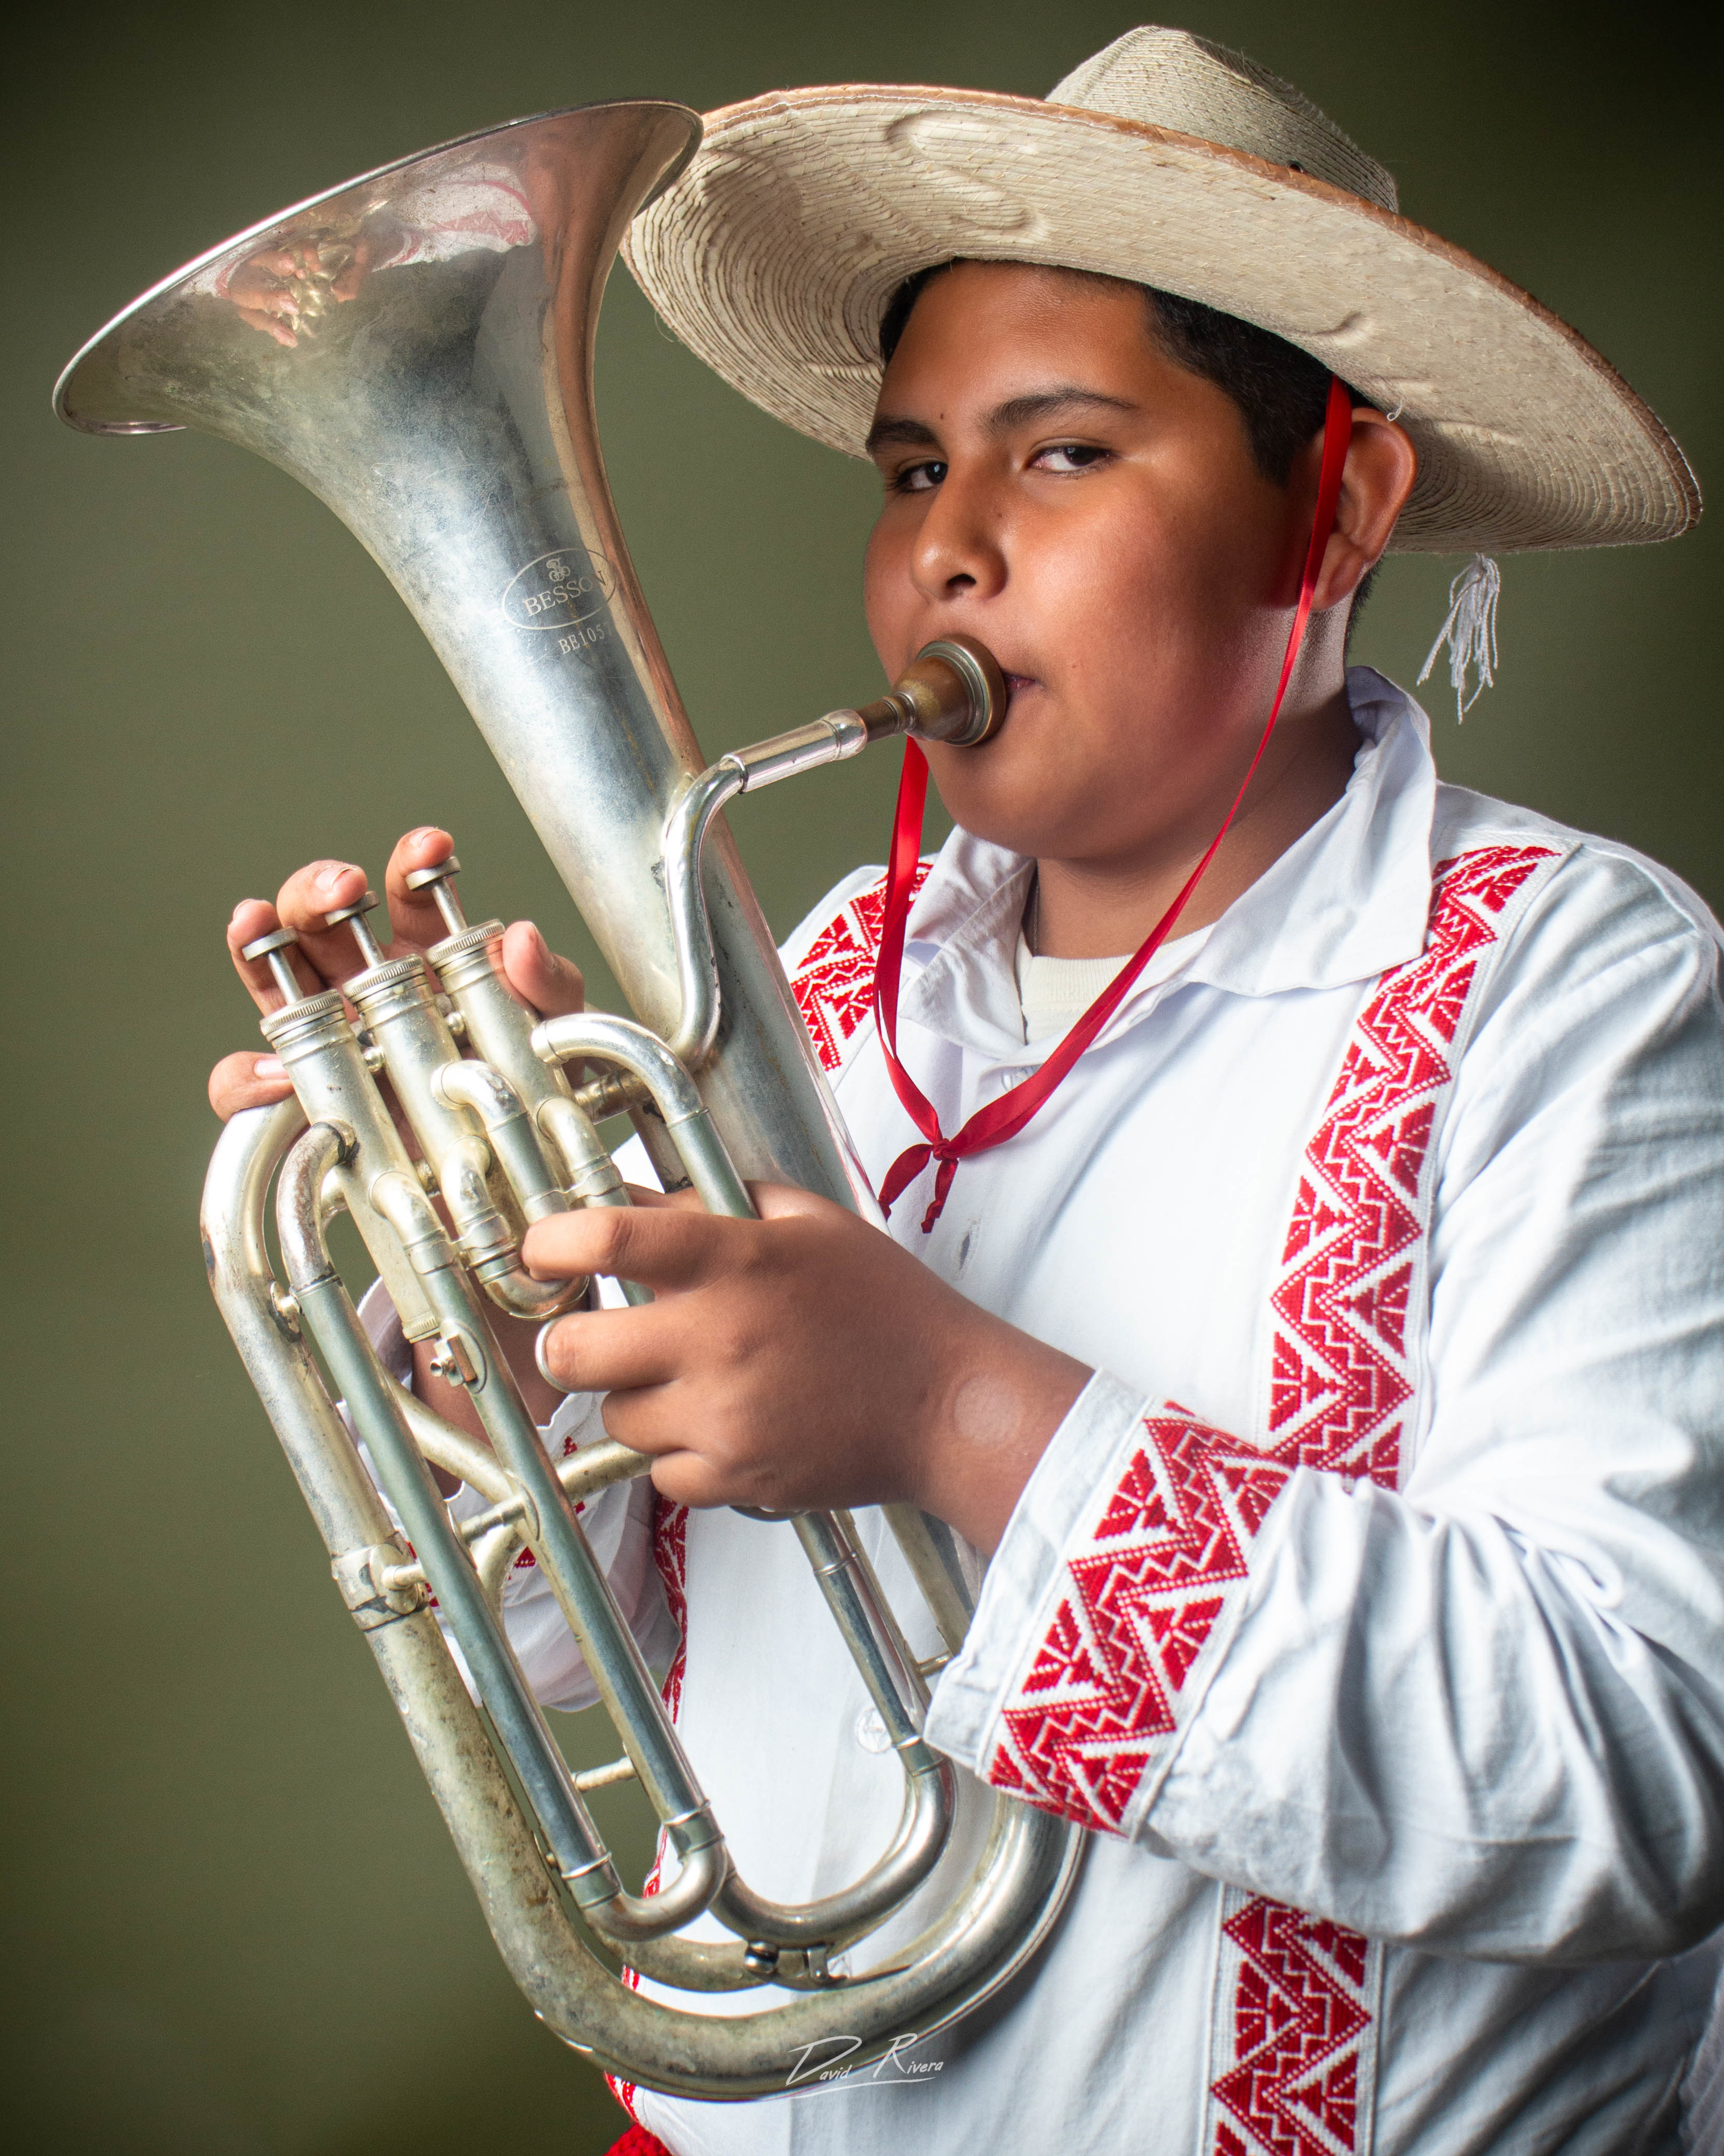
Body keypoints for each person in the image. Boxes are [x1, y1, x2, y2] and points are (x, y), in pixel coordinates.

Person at [211, 28, 1724, 2156]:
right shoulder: (811, 974)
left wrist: (949, 1410)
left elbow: (1636, 1769)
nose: (951, 549)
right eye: (913, 468)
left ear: (1341, 496)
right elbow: (632, 1684)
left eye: (1068, 456)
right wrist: (510, 1374)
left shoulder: (1577, 978)